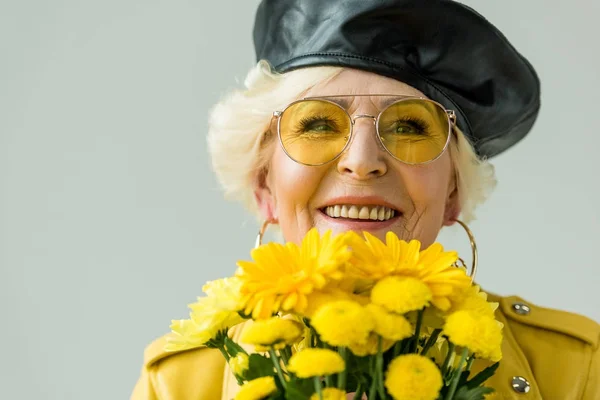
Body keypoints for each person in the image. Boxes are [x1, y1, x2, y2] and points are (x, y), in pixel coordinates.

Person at [131, 0, 599, 398]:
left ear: (454, 191)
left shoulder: (575, 369)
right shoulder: (176, 383)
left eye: (409, 127)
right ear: (264, 184)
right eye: (316, 124)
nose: (362, 161)